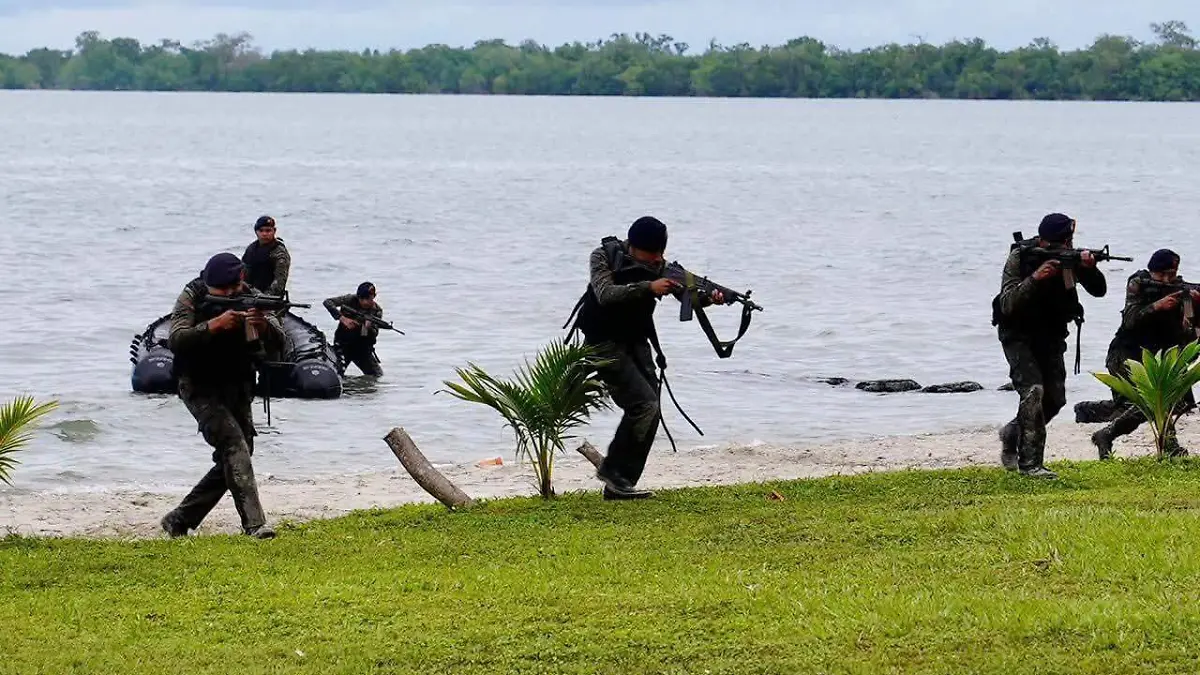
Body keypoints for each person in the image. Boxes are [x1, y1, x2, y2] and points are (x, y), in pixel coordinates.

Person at [568, 216, 722, 500]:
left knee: (651, 407)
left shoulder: (660, 266)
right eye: (651, 254)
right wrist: (648, 288)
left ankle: (622, 482)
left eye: (660, 253)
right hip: (602, 341)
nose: (657, 259)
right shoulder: (605, 256)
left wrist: (711, 297)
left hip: (636, 339)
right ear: (634, 247)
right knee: (644, 405)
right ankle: (615, 474)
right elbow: (604, 293)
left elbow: (690, 297)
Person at [159, 252, 283, 539]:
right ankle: (254, 525)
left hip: (237, 382)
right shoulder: (192, 295)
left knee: (239, 452)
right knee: (233, 445)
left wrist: (263, 326)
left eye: (232, 288)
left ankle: (180, 518)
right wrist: (214, 325)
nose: (229, 294)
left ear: (241, 279)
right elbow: (176, 338)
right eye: (222, 291)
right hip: (198, 384)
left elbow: (281, 341)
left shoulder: (253, 297)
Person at [992, 212, 1107, 478]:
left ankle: (1013, 432)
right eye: (1061, 242)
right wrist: (1036, 278)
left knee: (1055, 399)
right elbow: (1007, 304)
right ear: (1044, 241)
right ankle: (1030, 464)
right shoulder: (1021, 257)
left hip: (1051, 335)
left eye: (1069, 241)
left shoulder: (1071, 259)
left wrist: (1089, 269)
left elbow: (1099, 291)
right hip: (1018, 334)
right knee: (1033, 391)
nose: (1066, 247)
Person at [1091, 249, 1200, 459]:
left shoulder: (1182, 293)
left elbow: (1190, 344)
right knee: (1150, 403)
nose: (1168, 279)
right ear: (1152, 271)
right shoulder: (1138, 284)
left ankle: (1107, 431)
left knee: (1170, 403)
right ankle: (1168, 447)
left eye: (1172, 273)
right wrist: (1156, 307)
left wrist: (1193, 316)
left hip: (1158, 360)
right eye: (1162, 274)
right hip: (1126, 355)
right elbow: (1130, 321)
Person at [323, 282, 385, 377]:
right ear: (358, 296)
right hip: (343, 345)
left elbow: (374, 334)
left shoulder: (376, 311)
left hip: (362, 349)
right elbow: (328, 302)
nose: (365, 302)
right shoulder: (350, 299)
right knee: (334, 374)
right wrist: (342, 318)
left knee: (377, 376)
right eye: (362, 298)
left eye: (368, 299)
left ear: (374, 296)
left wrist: (366, 328)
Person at [241, 215, 291, 297]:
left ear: (274, 231)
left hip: (270, 298)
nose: (264, 234)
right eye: (261, 231)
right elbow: (242, 273)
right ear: (256, 231)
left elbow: (279, 282)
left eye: (268, 231)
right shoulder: (251, 249)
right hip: (249, 293)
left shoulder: (279, 252)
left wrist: (265, 297)